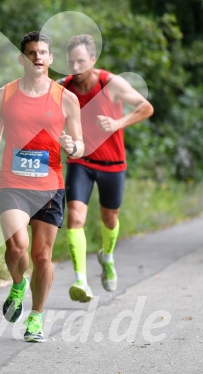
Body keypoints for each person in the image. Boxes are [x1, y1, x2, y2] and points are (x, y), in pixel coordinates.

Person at [0, 31, 83, 342]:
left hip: (51, 185)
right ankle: (17, 283)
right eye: (31, 53)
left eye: (43, 52)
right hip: (13, 183)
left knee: (42, 256)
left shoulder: (67, 98)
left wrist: (72, 146)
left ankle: (36, 317)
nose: (38, 57)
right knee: (16, 247)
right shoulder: (3, 95)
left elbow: (80, 144)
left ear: (51, 59)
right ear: (21, 58)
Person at [57, 34, 154, 302]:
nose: (75, 67)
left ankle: (107, 257)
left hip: (112, 163)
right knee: (75, 217)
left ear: (93, 60)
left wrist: (117, 123)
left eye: (81, 61)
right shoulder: (63, 87)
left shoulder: (110, 84)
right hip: (80, 161)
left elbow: (146, 108)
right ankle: (81, 281)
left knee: (110, 219)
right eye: (71, 62)